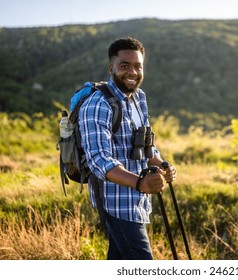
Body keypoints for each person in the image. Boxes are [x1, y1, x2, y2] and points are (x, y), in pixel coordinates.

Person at [79, 36, 177, 260]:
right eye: (124, 66)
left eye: (137, 66)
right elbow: (99, 160)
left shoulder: (139, 98)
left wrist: (162, 165)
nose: (132, 72)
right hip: (116, 204)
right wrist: (140, 183)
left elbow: (147, 145)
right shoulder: (97, 104)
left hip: (139, 201)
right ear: (111, 68)